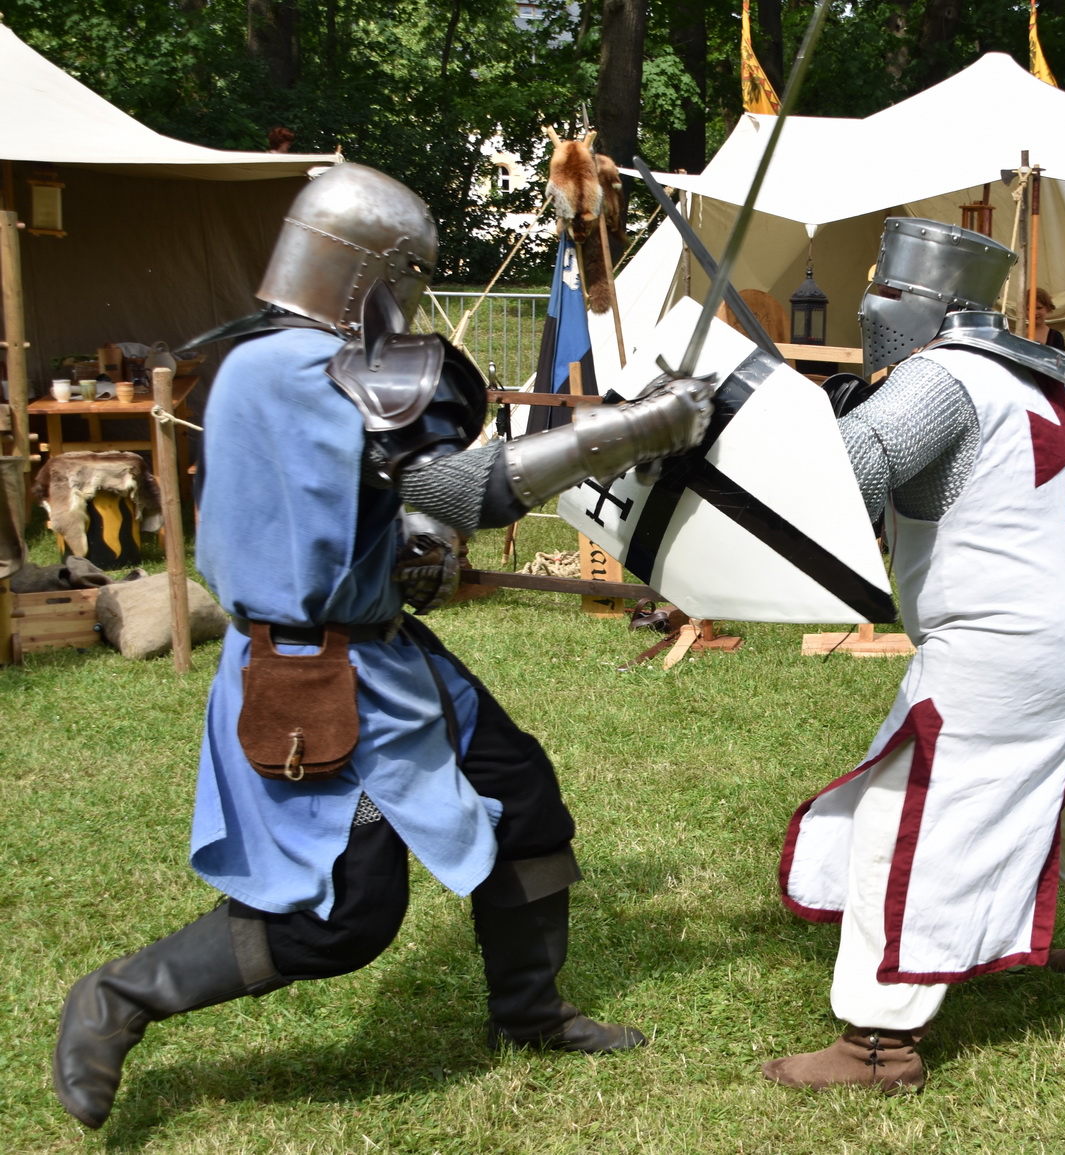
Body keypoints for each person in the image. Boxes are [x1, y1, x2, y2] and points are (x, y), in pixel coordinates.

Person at [51, 163, 715, 1131]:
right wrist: (632, 429)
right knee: (342, 919)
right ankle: (120, 997)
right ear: (367, 270)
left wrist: (409, 558)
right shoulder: (294, 367)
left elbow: (363, 509)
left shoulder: (266, 357)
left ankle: (530, 1013)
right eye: (405, 276)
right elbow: (452, 491)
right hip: (312, 674)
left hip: (385, 652)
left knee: (522, 796)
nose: (404, 303)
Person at [765, 218, 1065, 1095]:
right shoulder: (1052, 378)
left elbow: (850, 476)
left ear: (930, 305)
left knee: (903, 813)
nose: (875, 310)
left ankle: (879, 1042)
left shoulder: (940, 376)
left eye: (889, 293)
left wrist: (786, 433)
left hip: (1009, 639)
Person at [1031, 285, 1065, 351]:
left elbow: (1061, 360)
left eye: (1039, 308)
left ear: (1048, 309)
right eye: (1030, 308)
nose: (1035, 313)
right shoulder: (1020, 334)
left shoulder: (1056, 336)